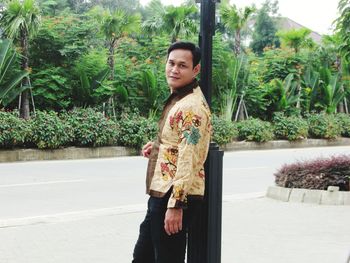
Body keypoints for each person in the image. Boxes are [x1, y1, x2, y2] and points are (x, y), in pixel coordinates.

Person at [132, 41, 212, 263]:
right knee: (143, 256)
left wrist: (176, 206)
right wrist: (159, 147)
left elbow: (189, 156)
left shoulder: (191, 108)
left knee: (168, 257)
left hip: (174, 195)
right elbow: (180, 143)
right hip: (162, 191)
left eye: (182, 65)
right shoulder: (181, 98)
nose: (175, 70)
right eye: (171, 63)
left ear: (195, 70)